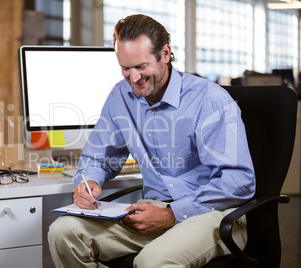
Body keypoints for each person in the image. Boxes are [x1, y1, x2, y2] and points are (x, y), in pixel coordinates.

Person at [48, 14, 255, 268]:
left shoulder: (210, 100)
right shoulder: (120, 96)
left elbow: (239, 181)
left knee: (151, 261)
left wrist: (172, 214)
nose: (133, 78)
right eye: (125, 68)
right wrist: (89, 181)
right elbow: (98, 156)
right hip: (150, 211)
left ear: (165, 54)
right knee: (63, 233)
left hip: (215, 215)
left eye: (141, 67)